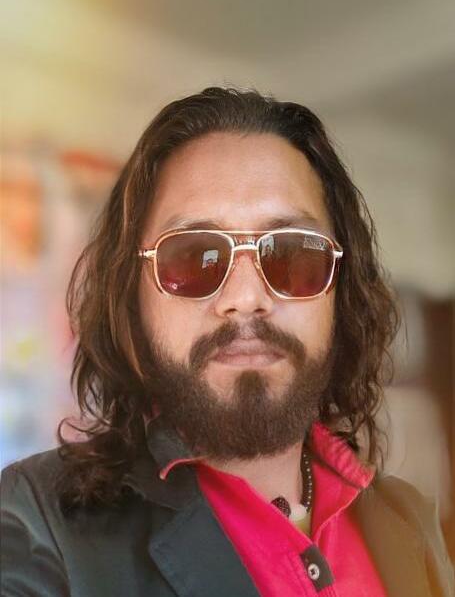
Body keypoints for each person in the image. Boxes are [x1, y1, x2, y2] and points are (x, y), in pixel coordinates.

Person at [1, 87, 453, 597]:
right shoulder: (35, 523)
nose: (245, 298)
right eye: (194, 257)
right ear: (132, 300)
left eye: (291, 253)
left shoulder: (406, 518)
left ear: (340, 293)